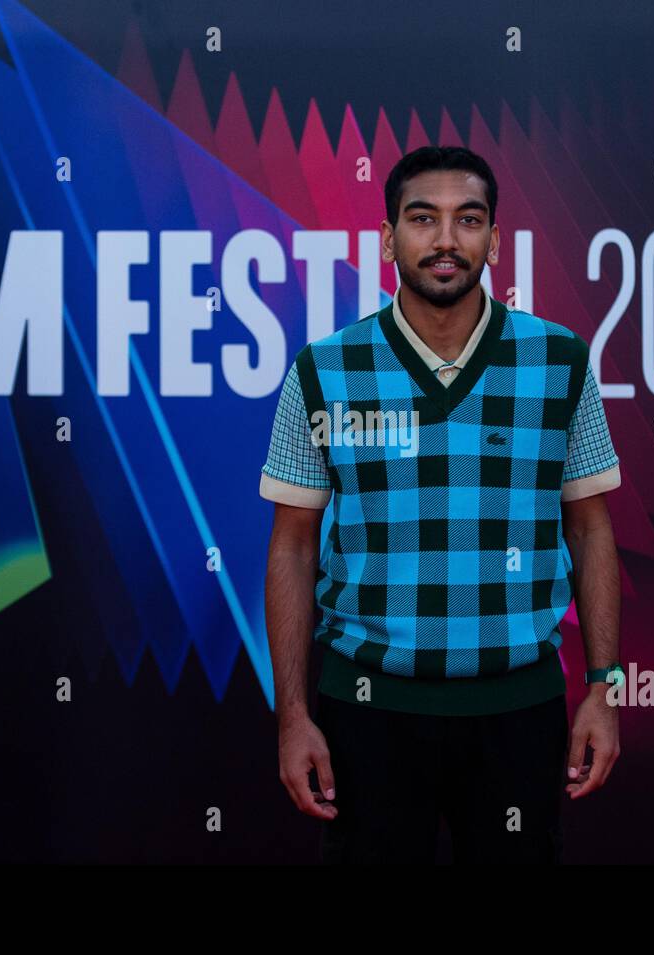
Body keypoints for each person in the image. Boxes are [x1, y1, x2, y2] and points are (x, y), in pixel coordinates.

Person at [260, 145, 623, 863]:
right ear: (390, 236)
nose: (446, 240)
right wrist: (293, 716)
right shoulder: (325, 369)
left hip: (518, 710)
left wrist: (604, 688)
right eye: (423, 219)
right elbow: (293, 546)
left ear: (494, 238)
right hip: (367, 711)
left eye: (469, 220)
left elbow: (590, 528)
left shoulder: (560, 360)